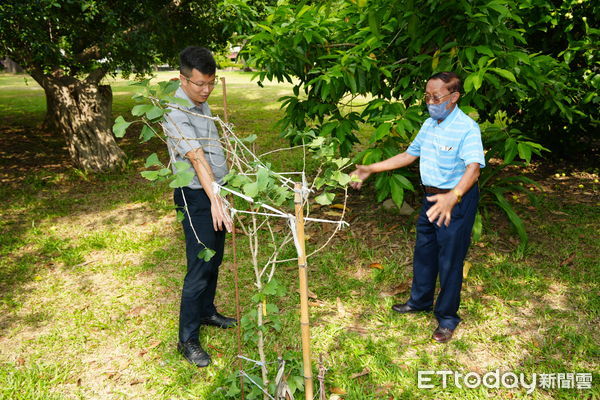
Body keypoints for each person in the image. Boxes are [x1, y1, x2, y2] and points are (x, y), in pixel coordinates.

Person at [350, 72, 485, 343]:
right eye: (427, 96)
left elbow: (474, 169)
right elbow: (409, 154)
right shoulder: (430, 124)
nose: (430, 101)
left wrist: (454, 195)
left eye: (436, 97)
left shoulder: (467, 128)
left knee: (449, 260)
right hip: (431, 198)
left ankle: (447, 318)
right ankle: (420, 301)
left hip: (454, 201)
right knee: (424, 251)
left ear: (454, 97)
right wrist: (370, 168)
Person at [162, 46, 235, 367]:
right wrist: (215, 200)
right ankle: (187, 339)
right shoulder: (175, 111)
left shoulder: (200, 103)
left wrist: (224, 190)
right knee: (200, 265)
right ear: (182, 79)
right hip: (195, 196)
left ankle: (207, 312)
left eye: (211, 83)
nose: (206, 90)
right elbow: (196, 157)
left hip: (214, 191)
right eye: (199, 85)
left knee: (215, 259)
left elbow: (214, 149)